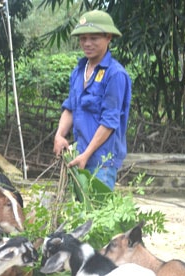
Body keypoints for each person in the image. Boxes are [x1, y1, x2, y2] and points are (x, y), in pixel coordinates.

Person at [53, 10, 132, 190]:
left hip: (101, 162)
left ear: (108, 37)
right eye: (83, 38)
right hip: (78, 156)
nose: (87, 43)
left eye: (94, 38)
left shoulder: (115, 74)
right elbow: (71, 108)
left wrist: (87, 155)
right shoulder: (79, 71)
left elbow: (109, 122)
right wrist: (59, 135)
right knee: (77, 213)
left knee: (96, 213)